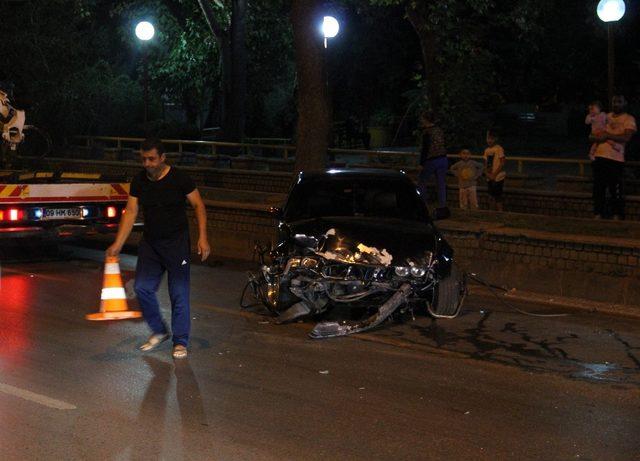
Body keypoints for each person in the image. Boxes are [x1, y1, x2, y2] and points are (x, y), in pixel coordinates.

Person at [107, 138, 211, 359]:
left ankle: (180, 341)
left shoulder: (180, 178)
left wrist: (203, 237)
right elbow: (131, 211)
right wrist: (118, 244)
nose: (147, 164)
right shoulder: (139, 181)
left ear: (163, 158)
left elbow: (198, 205)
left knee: (178, 293)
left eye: (152, 159)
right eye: (144, 159)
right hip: (151, 244)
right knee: (143, 288)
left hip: (176, 244)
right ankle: (160, 330)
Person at [590, 95, 637, 219]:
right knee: (598, 187)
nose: (616, 104)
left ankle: (617, 214)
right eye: (614, 102)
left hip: (616, 158)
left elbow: (626, 137)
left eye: (619, 102)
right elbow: (592, 134)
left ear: (625, 103)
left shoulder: (628, 119)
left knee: (615, 188)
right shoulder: (605, 116)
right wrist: (597, 137)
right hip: (599, 156)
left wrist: (607, 136)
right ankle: (598, 213)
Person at [417, 112, 450, 219]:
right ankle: (442, 206)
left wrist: (421, 163)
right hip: (443, 158)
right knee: (441, 183)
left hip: (432, 159)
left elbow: (425, 149)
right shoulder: (439, 130)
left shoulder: (427, 132)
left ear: (426, 120)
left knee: (422, 181)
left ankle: (422, 204)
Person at [483, 129, 506, 211]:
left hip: (498, 177)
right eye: (488, 138)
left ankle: (500, 213)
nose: (489, 140)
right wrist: (487, 173)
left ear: (495, 139)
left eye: (491, 138)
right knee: (490, 196)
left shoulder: (499, 148)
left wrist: (494, 174)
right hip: (489, 177)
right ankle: (491, 213)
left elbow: (502, 163)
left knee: (498, 196)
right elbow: (485, 164)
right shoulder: (486, 150)